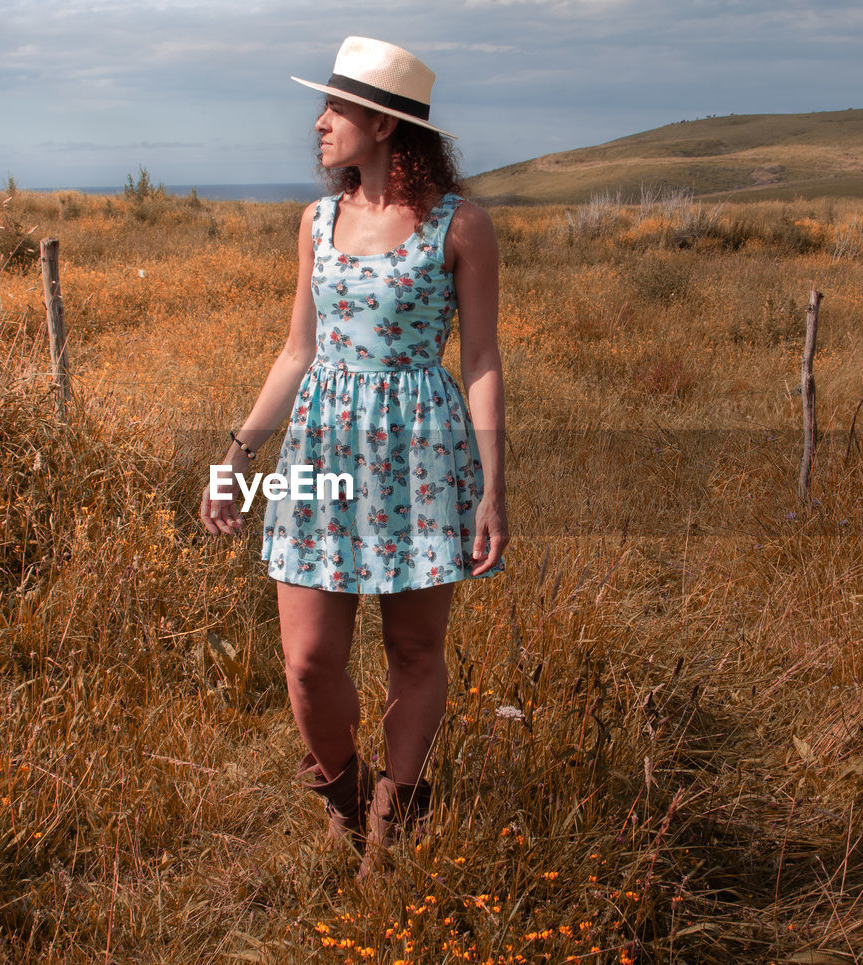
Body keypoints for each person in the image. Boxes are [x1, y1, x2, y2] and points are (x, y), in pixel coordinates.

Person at [199, 36, 507, 878]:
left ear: (382, 122)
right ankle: (343, 789)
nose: (320, 124)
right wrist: (236, 455)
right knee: (307, 659)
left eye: (335, 110)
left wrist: (491, 486)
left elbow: (479, 360)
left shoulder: (460, 224)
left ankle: (393, 818)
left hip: (421, 449)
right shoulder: (316, 222)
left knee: (414, 650)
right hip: (322, 444)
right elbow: (297, 351)